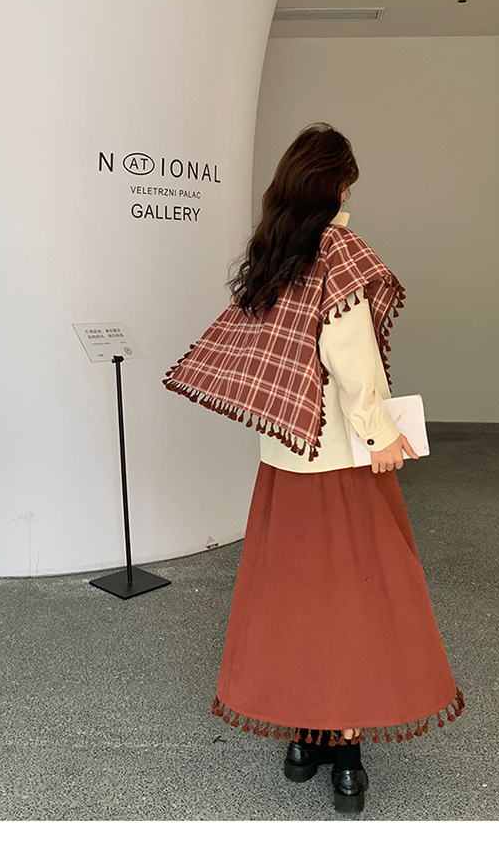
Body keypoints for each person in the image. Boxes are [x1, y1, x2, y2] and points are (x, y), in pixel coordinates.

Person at [163, 122, 464, 815]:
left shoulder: (275, 251)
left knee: (294, 596)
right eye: (348, 180)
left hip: (283, 458)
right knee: (356, 595)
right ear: (337, 185)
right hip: (338, 459)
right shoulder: (340, 250)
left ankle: (304, 740)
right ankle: (347, 757)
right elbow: (351, 356)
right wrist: (380, 433)